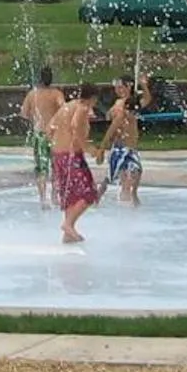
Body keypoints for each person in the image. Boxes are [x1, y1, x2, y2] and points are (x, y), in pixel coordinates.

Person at [51, 82, 102, 242]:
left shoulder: (66, 106)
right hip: (71, 155)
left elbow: (49, 128)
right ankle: (68, 224)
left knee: (70, 194)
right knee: (89, 192)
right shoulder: (82, 108)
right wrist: (89, 148)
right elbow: (75, 127)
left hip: (58, 155)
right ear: (93, 98)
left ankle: (68, 234)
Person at [19, 66, 66, 207]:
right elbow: (64, 108)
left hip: (39, 135)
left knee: (41, 167)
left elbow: (23, 113)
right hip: (54, 135)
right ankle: (54, 197)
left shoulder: (32, 95)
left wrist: (34, 118)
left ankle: (42, 198)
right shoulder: (56, 94)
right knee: (56, 166)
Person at [98, 77, 143, 206]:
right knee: (110, 177)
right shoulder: (121, 116)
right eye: (131, 111)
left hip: (131, 149)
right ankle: (98, 196)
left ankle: (133, 193)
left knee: (138, 170)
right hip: (120, 149)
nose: (133, 114)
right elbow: (110, 131)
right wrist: (102, 149)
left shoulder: (131, 116)